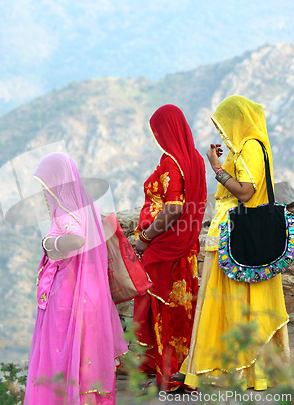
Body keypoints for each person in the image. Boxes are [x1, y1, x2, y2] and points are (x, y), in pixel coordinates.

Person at [179, 95, 290, 390]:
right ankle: (238, 364)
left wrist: (216, 167)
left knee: (236, 298)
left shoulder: (250, 148)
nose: (223, 133)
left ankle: (241, 368)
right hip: (234, 231)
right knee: (232, 299)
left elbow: (244, 192)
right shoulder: (244, 148)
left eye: (225, 126)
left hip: (238, 233)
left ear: (238, 121)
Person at [24, 152, 128, 405]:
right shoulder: (88, 205)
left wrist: (49, 241)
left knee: (62, 351)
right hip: (92, 291)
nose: (44, 192)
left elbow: (77, 239)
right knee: (86, 354)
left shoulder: (64, 211)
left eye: (45, 185)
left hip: (68, 295)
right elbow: (104, 230)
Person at [133, 104, 207, 391]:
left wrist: (146, 237)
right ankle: (182, 370)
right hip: (185, 247)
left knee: (163, 310)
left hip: (166, 248)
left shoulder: (171, 163)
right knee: (181, 309)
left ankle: (168, 375)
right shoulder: (194, 159)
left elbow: (174, 208)